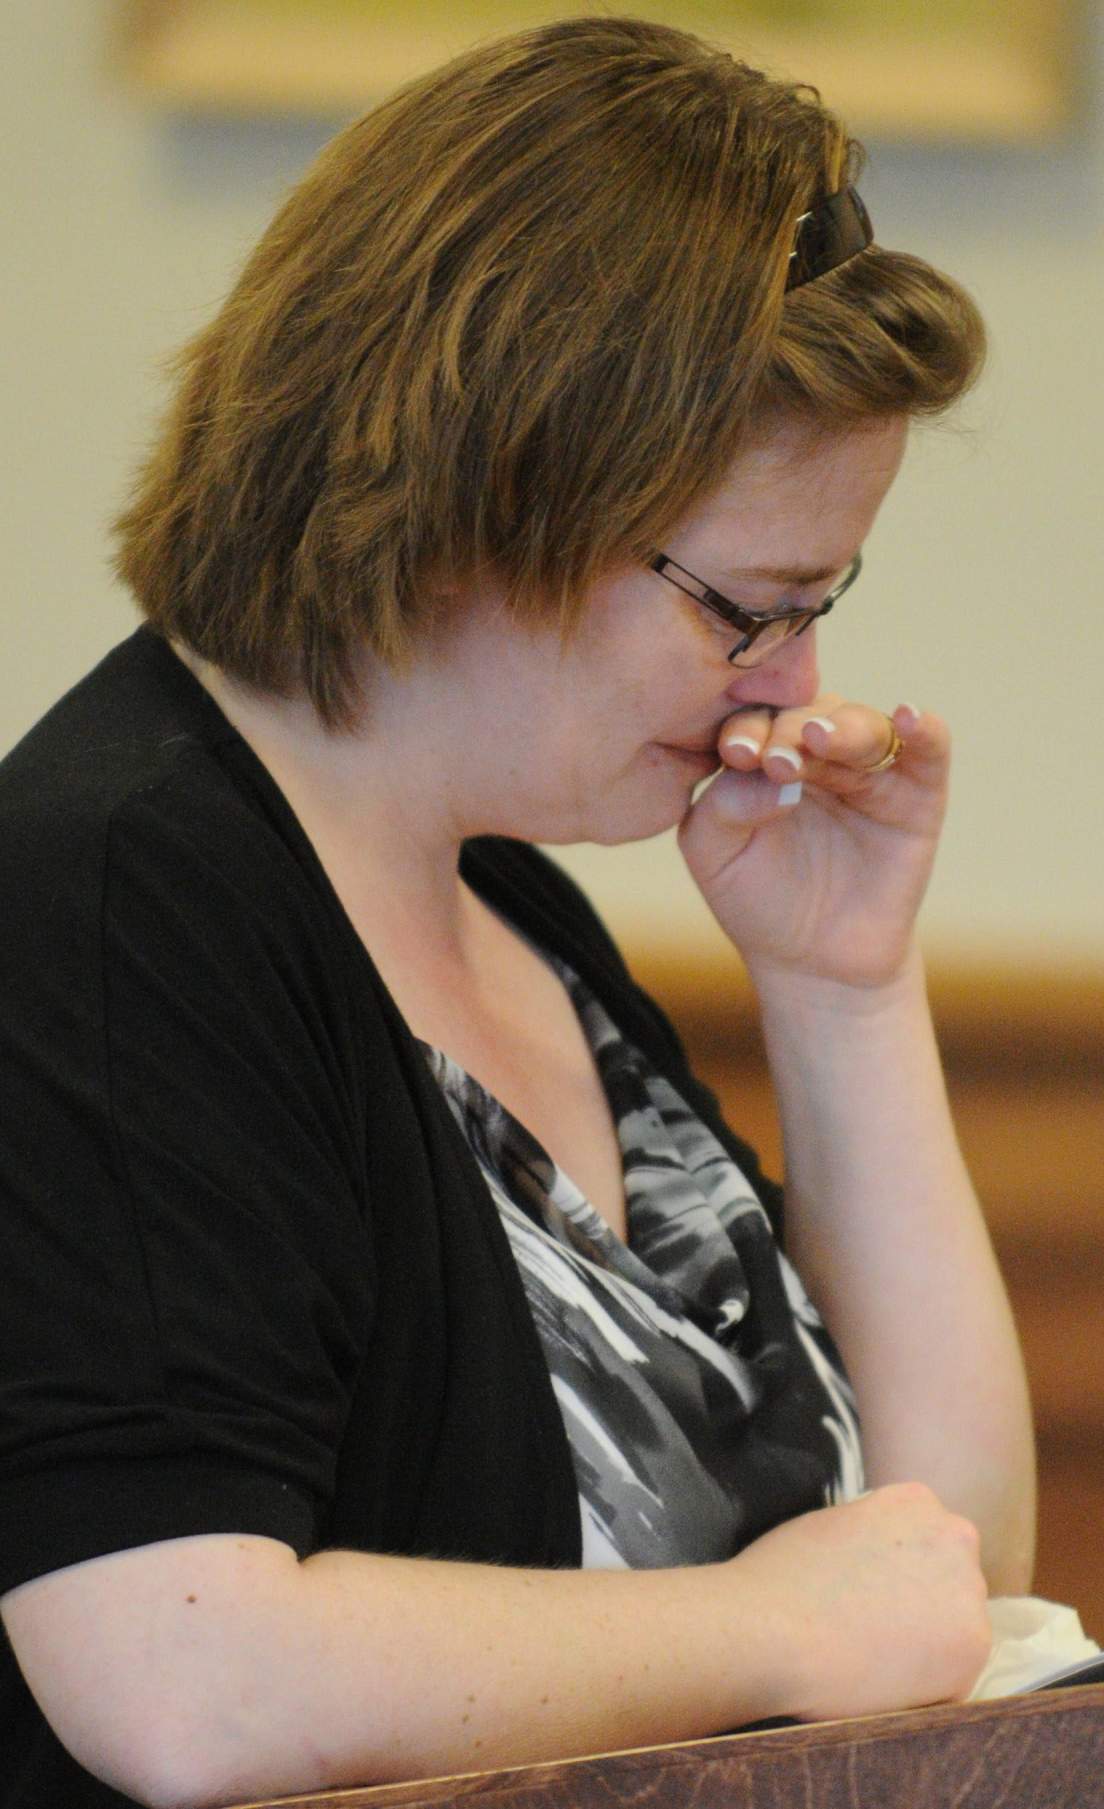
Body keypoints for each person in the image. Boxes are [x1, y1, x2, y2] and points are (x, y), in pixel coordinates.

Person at [0, 16, 1035, 1806]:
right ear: (490, 504)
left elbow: (946, 1568)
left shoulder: (513, 903)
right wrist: (766, 1630)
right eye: (747, 605)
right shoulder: (109, 898)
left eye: (820, 601)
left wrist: (845, 988)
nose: (792, 679)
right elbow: (180, 1674)